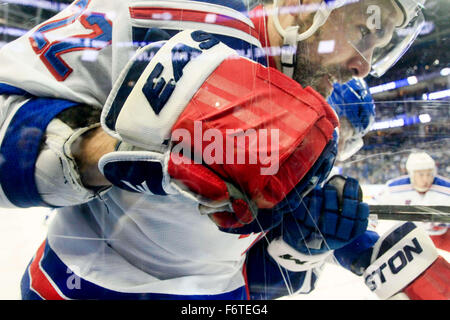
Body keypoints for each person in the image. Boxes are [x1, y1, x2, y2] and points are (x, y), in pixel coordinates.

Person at [0, 0, 447, 300]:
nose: (364, 65)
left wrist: (303, 247)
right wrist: (103, 153)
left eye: (383, 45)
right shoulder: (184, 21)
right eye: (367, 30)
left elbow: (250, 270)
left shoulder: (320, 113)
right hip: (83, 288)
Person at [376, 151, 450, 251]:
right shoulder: (393, 189)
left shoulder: (446, 189)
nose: (426, 179)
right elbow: (374, 209)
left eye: (429, 174)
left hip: (441, 236)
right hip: (409, 239)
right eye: (421, 175)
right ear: (411, 174)